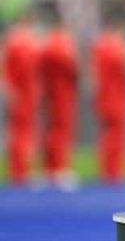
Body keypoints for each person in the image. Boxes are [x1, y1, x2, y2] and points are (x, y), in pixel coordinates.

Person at [2, 18, 40, 184]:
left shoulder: (12, 43)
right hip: (22, 94)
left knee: (19, 132)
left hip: (19, 92)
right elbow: (26, 69)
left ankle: (19, 171)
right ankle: (20, 173)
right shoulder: (22, 44)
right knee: (21, 133)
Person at [92, 24, 125, 182]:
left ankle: (106, 170)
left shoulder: (100, 47)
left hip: (103, 96)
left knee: (106, 136)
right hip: (116, 96)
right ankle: (113, 172)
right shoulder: (118, 48)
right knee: (116, 136)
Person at [41, 22, 78, 185]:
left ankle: (50, 167)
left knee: (52, 130)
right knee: (61, 130)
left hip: (50, 91)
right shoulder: (63, 45)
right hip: (62, 92)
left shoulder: (47, 45)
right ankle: (58, 167)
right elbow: (72, 67)